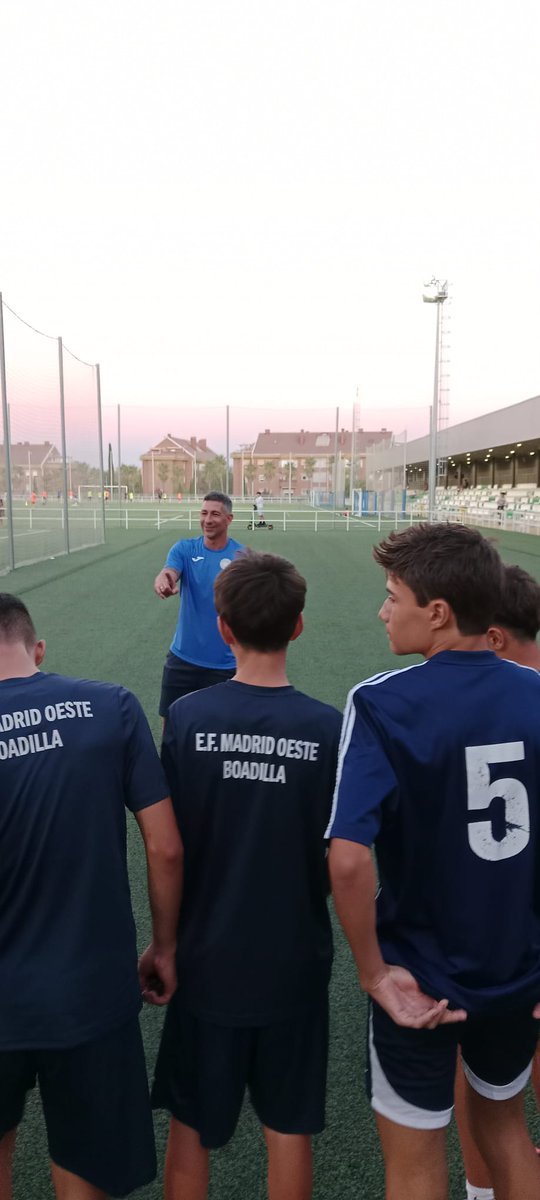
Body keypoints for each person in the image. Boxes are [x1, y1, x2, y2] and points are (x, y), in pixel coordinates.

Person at [327, 523, 540, 1200]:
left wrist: (371, 973)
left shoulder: (382, 701)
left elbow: (349, 857)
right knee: (506, 1130)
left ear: (439, 612)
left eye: (394, 596)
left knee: (416, 1161)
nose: (383, 611)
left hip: (419, 980)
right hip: (515, 970)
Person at [147, 548, 342, 1200]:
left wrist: (166, 945)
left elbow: (167, 848)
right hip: (294, 961)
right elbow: (341, 858)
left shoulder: (188, 721)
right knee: (288, 1128)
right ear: (299, 626)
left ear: (223, 629)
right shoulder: (329, 729)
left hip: (208, 958)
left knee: (192, 1123)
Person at [0, 594, 183, 1200]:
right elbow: (165, 847)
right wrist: (164, 945)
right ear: (39, 649)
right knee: (88, 1168)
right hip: (90, 992)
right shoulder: (112, 706)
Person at [454, 562, 540, 1200]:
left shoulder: (489, 706)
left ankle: (482, 1188)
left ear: (495, 638)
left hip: (500, 943)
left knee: (480, 1075)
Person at [154, 492, 243, 720]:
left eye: (215, 514)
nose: (208, 519)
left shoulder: (242, 557)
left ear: (229, 519)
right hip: (182, 658)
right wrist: (164, 579)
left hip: (225, 664)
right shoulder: (184, 549)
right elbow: (170, 571)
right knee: (172, 724)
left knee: (220, 732)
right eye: (204, 513)